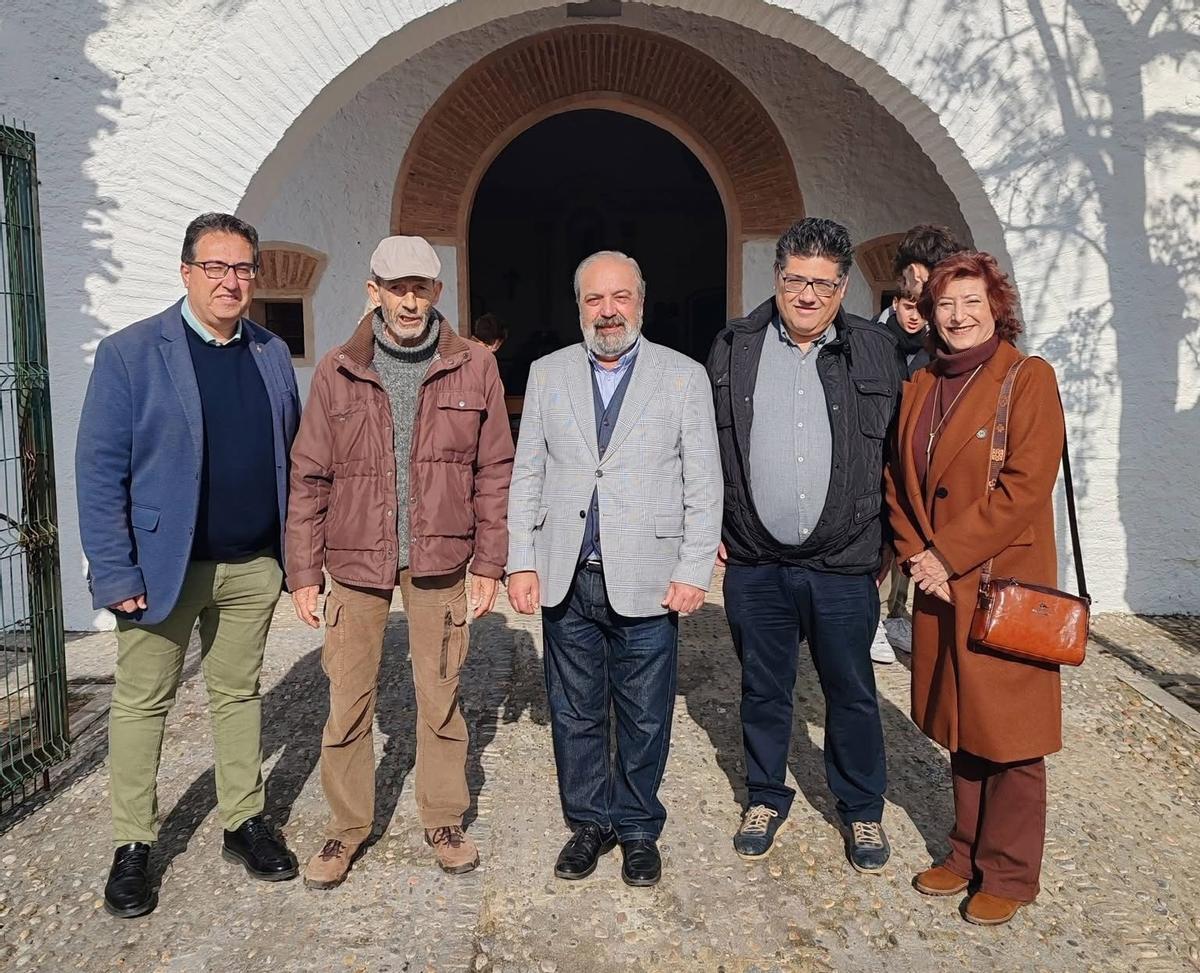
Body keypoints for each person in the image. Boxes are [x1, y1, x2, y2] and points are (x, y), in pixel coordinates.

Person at [76, 213, 301, 919]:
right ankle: (134, 845)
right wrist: (115, 573)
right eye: (216, 267)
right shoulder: (131, 353)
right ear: (185, 272)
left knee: (238, 695)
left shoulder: (269, 350)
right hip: (160, 572)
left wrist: (289, 559)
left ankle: (243, 820)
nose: (231, 281)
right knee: (143, 703)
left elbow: (289, 451)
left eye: (242, 269)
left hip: (250, 567)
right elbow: (99, 468)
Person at [286, 236, 513, 887]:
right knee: (348, 698)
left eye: (420, 287)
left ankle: (443, 815)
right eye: (396, 286)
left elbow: (494, 470)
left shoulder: (475, 366)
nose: (409, 299)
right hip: (354, 560)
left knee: (439, 695)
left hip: (439, 558)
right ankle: (346, 825)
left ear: (437, 292)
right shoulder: (337, 368)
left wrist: (490, 562)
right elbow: (309, 474)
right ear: (373, 291)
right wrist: (303, 571)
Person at [506, 251, 721, 888]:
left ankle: (636, 828)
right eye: (595, 300)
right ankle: (589, 823)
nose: (608, 311)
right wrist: (522, 560)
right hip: (567, 574)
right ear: (579, 307)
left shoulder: (682, 377)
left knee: (646, 714)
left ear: (641, 302)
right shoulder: (547, 374)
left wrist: (693, 568)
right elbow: (528, 474)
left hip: (649, 575)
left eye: (620, 297)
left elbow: (703, 483)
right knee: (573, 712)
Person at [707, 217, 903, 873]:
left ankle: (862, 808)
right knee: (763, 689)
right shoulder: (735, 346)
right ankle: (765, 794)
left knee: (851, 691)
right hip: (756, 562)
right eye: (796, 279)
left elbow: (901, 457)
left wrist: (897, 543)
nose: (808, 294)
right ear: (778, 277)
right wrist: (713, 527)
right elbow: (708, 447)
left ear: (843, 285)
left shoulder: (877, 351)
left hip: (844, 564)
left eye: (823, 283)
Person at [883, 250, 1066, 926]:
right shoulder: (922, 383)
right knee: (962, 726)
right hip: (940, 586)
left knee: (1011, 736)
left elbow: (1024, 487)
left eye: (971, 303)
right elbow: (897, 482)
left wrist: (944, 554)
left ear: (996, 309)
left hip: (999, 585)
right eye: (944, 304)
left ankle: (1011, 872)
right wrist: (914, 554)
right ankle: (964, 852)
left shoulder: (1027, 378)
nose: (957, 316)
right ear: (928, 313)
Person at [871, 223, 965, 664]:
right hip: (884, 467)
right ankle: (874, 619)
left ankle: (897, 616)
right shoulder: (872, 340)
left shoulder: (950, 345)